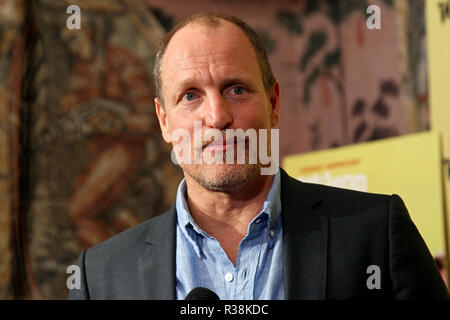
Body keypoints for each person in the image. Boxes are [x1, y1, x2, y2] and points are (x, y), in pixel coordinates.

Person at [68, 12, 449, 300]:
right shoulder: (100, 277)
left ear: (273, 102)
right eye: (190, 96)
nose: (217, 117)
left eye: (235, 89)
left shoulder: (376, 233)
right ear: (164, 121)